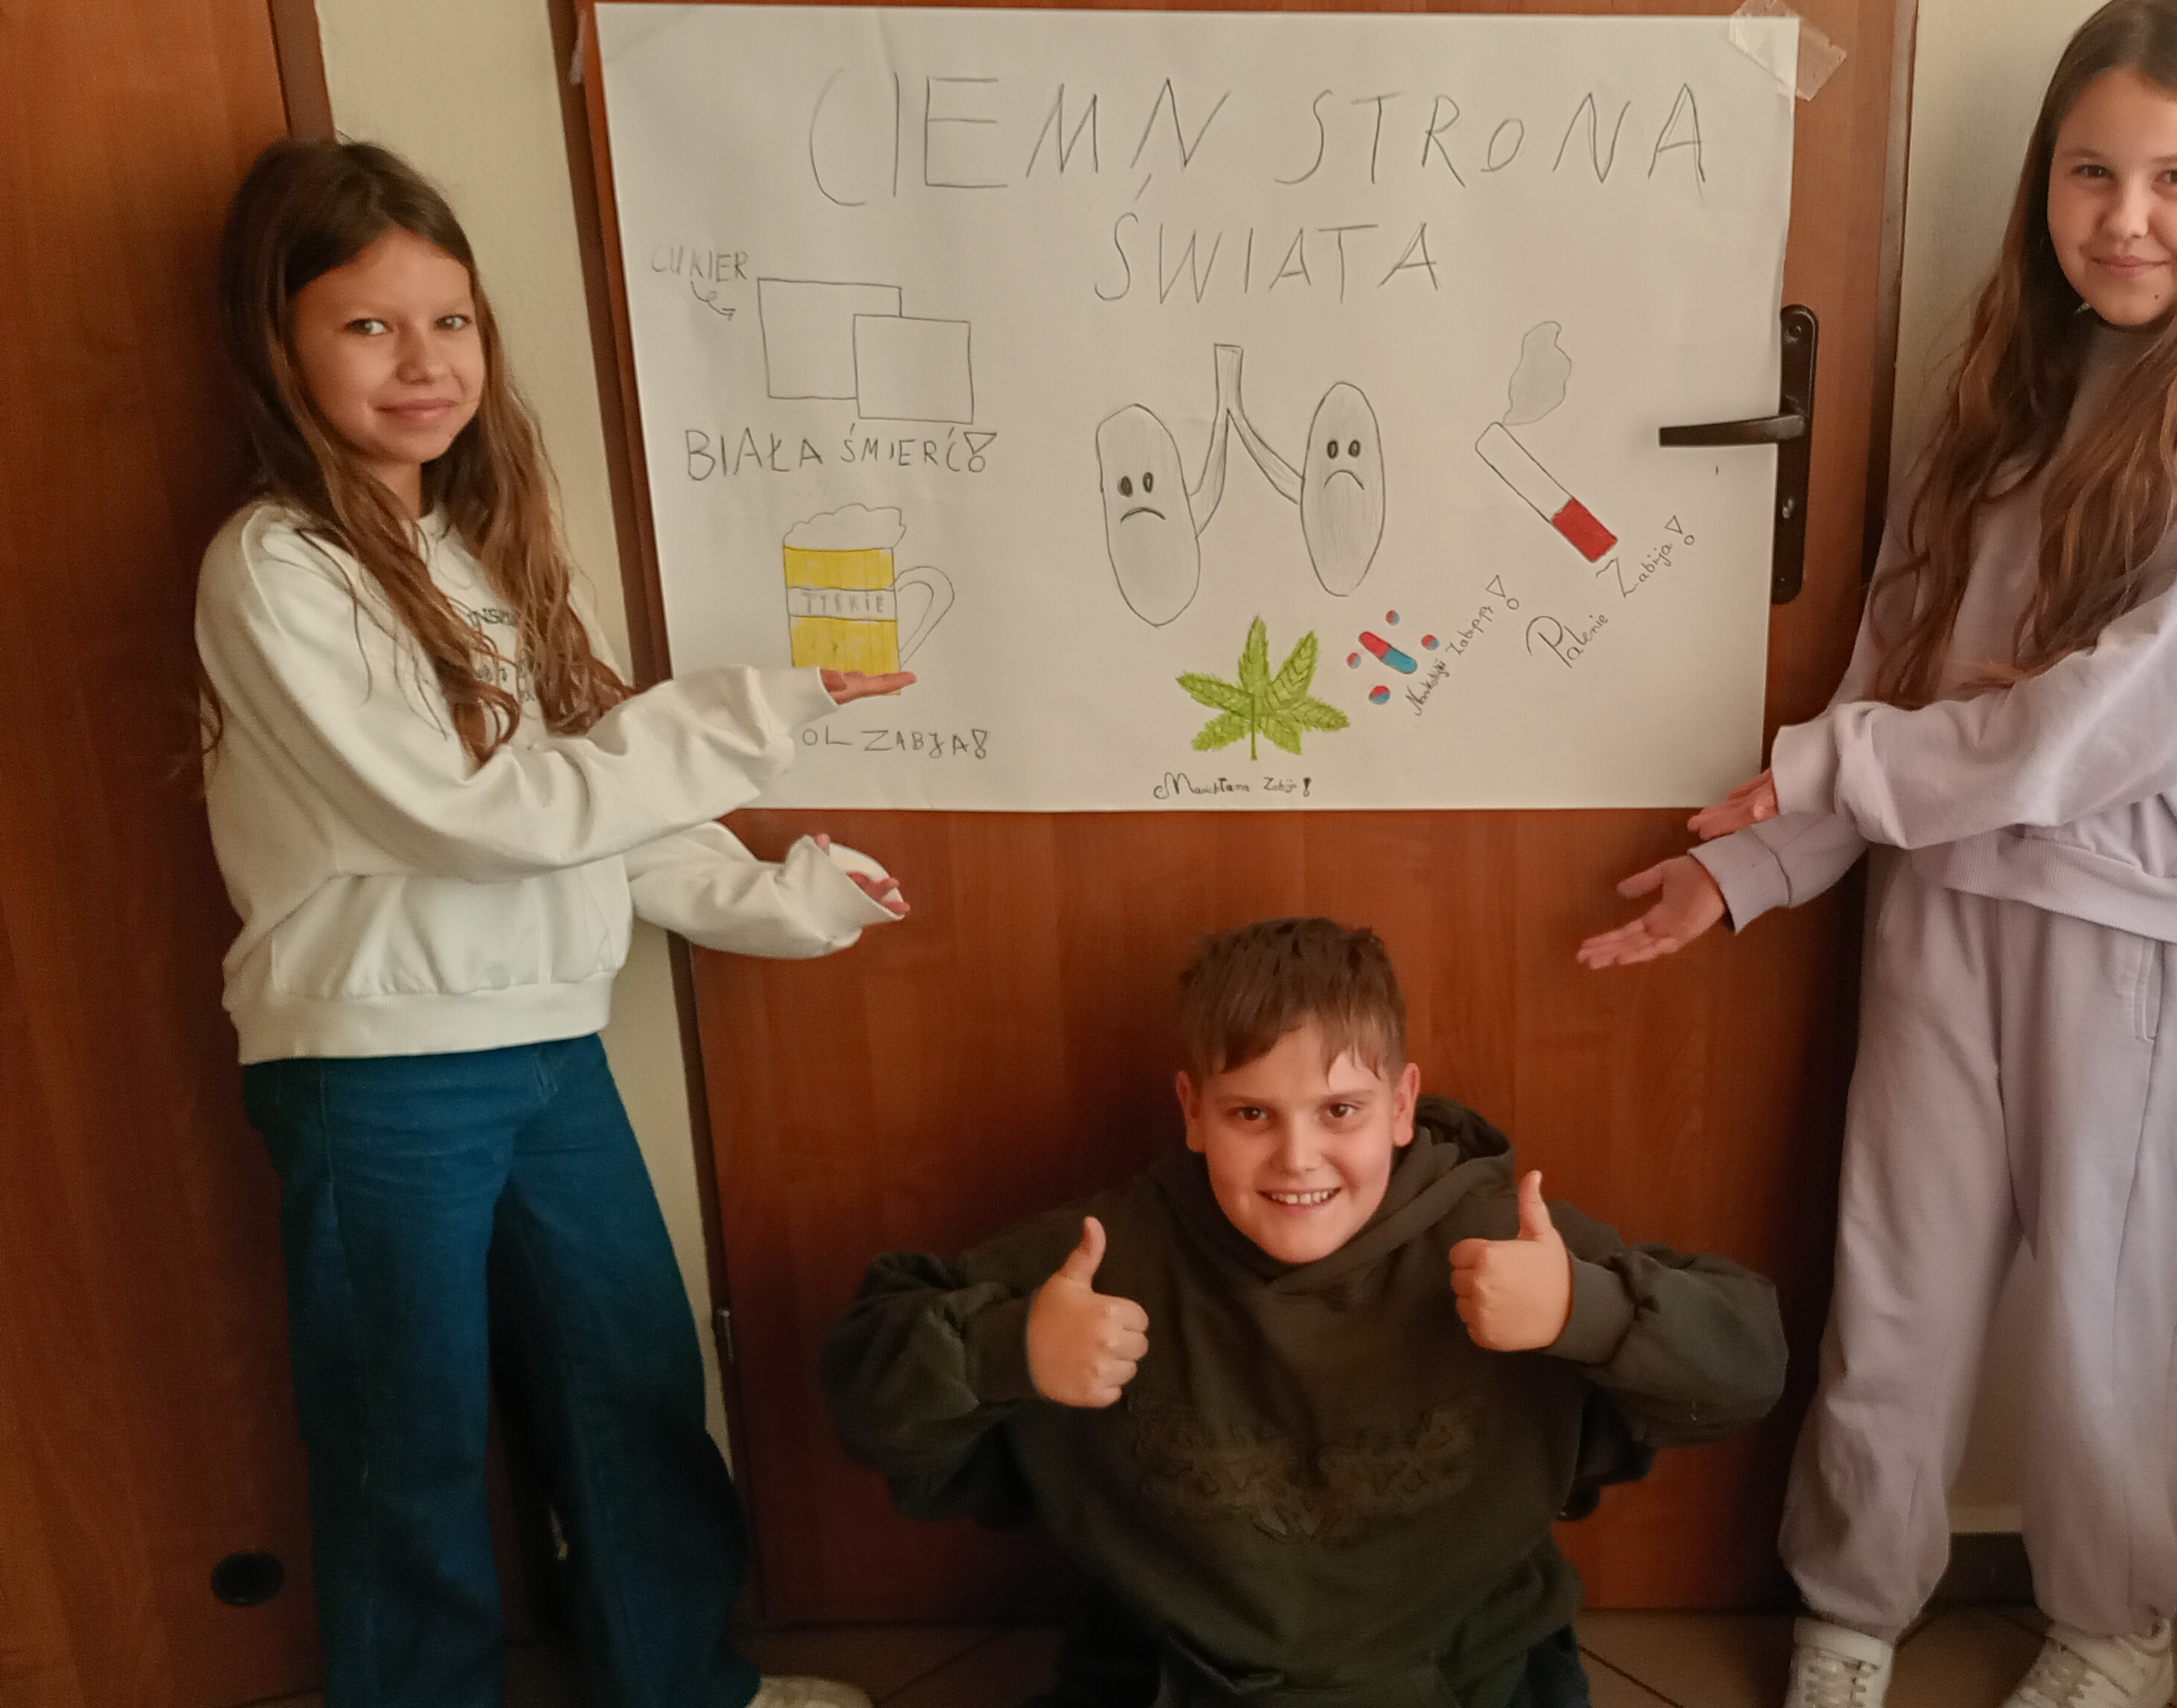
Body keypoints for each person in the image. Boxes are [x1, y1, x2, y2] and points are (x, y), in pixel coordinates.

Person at [1577, 1, 2177, 1703]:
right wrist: (1755, 864)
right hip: (1944, 905)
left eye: (2175, 178)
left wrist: (1834, 764)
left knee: (2119, 1316)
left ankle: (2114, 1626)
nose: (2124, 218)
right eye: (2090, 171)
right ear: (2043, 178)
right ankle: (1853, 1605)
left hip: (2150, 936)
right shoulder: (2006, 379)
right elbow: (1902, 667)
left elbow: (2131, 711)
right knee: (1899, 1284)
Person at [199, 137, 905, 1708]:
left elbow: (587, 807)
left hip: (548, 1042)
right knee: (405, 1436)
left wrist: (776, 900)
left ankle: (681, 1686)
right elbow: (476, 818)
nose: (424, 361)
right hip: (378, 1070)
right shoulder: (276, 568)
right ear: (281, 343)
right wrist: (752, 715)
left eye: (450, 320)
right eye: (369, 324)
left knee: (632, 1382)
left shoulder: (474, 556)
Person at [821, 917, 1789, 1708]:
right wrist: (1006, 1350)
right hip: (1179, 1674)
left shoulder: (1497, 1231)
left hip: (1469, 1670)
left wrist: (1590, 1309)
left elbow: (1750, 1367)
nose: (1297, 1159)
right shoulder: (1109, 1253)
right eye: (1252, 1114)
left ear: (1402, 1105)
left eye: (1340, 1110)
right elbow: (864, 1399)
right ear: (1193, 1110)